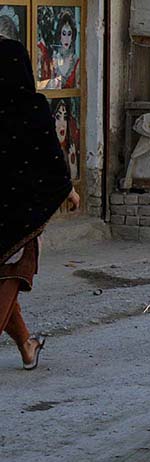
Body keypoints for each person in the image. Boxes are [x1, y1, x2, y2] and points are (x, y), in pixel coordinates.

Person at [0, 36, 79, 369]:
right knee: (9, 279)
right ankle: (28, 344)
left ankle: (28, 345)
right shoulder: (33, 108)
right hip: (22, 217)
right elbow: (49, 156)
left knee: (7, 281)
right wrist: (68, 191)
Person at [37, 10, 80, 90]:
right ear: (60, 35)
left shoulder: (76, 61)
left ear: (72, 37)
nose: (66, 38)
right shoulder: (53, 59)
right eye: (64, 33)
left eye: (69, 34)